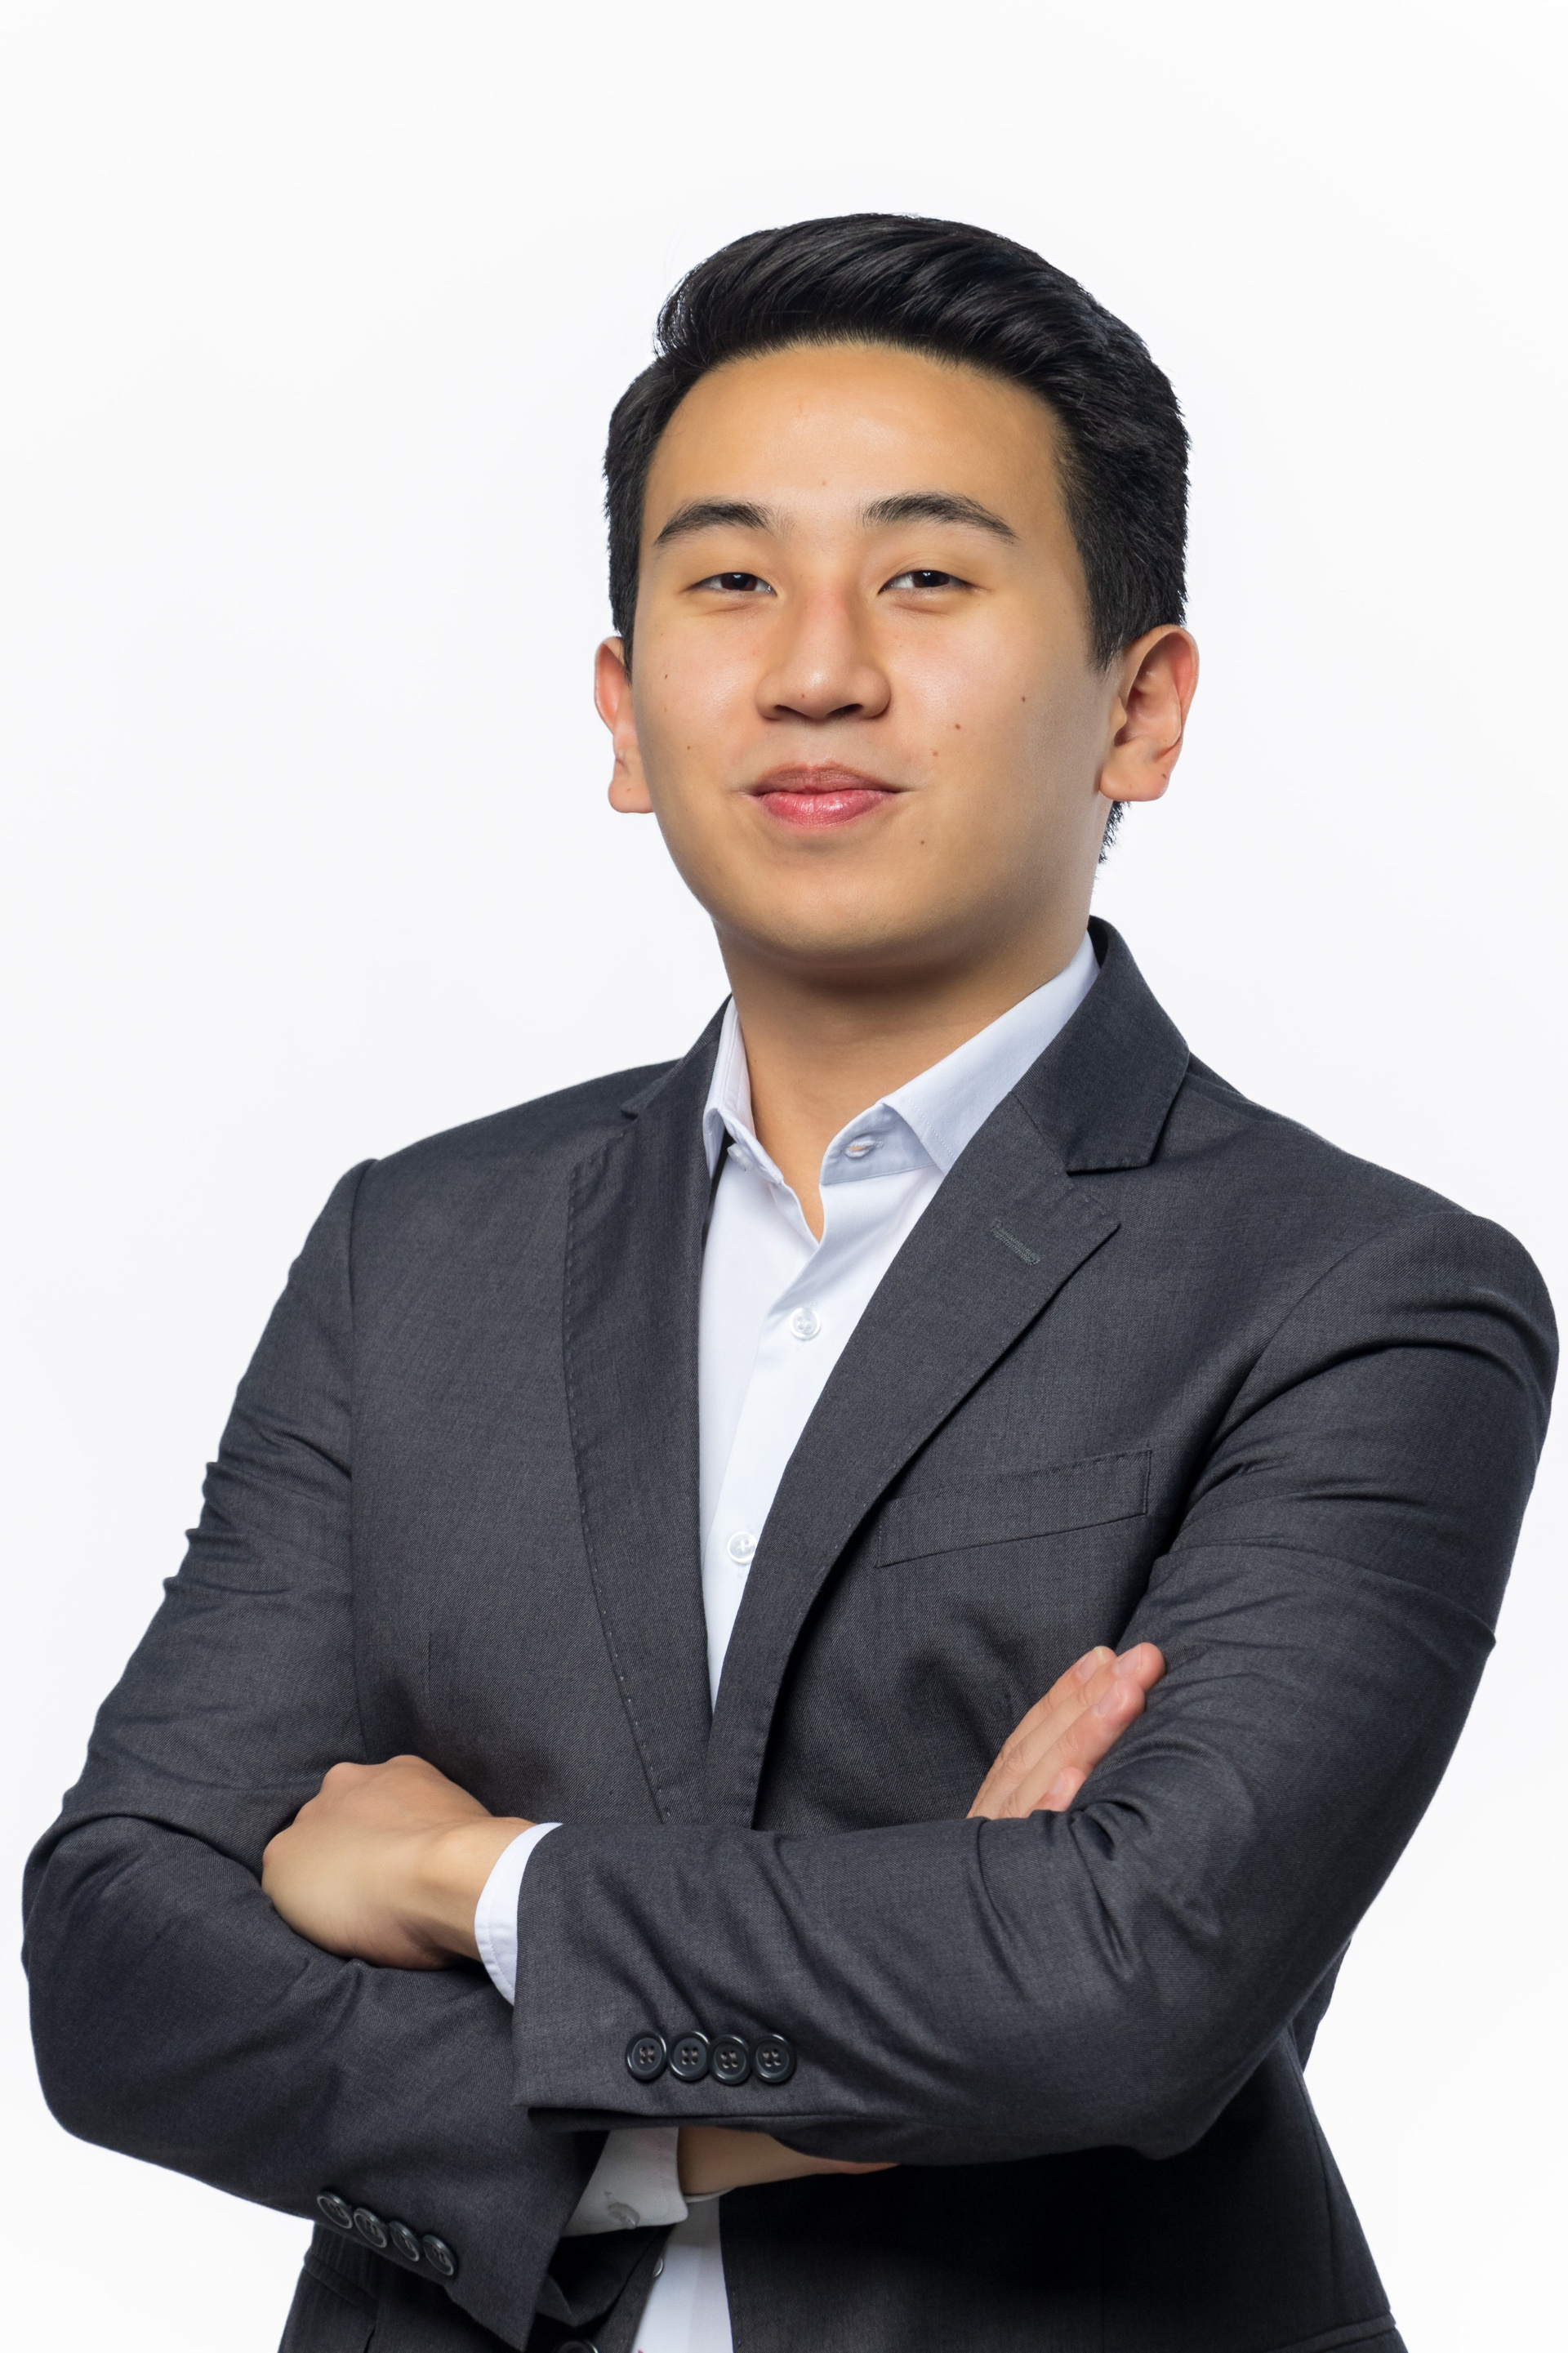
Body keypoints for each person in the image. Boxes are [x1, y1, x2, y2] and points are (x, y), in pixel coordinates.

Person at [24, 214, 1554, 2353]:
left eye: (925, 577)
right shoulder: (418, 1249)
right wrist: (732, 2118)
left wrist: (471, 1882)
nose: (817, 667)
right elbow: (117, 1961)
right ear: (623, 708)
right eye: (730, 581)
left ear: (1140, 707)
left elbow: (1125, 1980)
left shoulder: (1363, 1296)